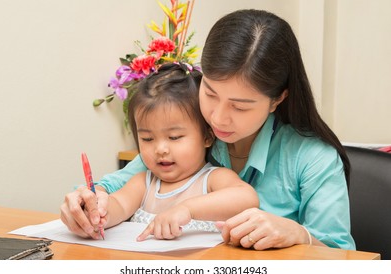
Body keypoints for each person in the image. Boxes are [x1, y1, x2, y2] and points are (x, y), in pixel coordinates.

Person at [61, 9, 355, 250]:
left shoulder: (314, 158)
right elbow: (114, 189)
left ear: (278, 98)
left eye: (239, 106)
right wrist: (87, 202)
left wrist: (298, 235)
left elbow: (344, 257)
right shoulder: (187, 134)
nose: (218, 117)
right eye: (211, 93)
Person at [62, 63, 259, 240]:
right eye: (147, 139)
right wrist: (98, 213)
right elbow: (118, 206)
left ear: (207, 137)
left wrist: (187, 209)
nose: (160, 149)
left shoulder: (213, 179)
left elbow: (247, 198)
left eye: (174, 137)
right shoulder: (143, 183)